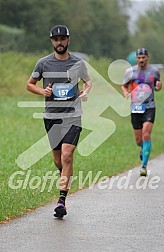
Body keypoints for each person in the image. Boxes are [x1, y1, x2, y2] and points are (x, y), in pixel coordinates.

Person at [26, 25, 92, 218]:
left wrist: (86, 91)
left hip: (72, 116)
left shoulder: (78, 63)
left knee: (67, 155)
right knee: (58, 160)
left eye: (63, 39)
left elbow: (87, 81)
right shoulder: (43, 63)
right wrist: (42, 91)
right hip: (51, 117)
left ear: (68, 40)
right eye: (56, 39)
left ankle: (61, 201)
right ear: (52, 42)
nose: (60, 42)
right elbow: (30, 84)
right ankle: (65, 174)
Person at [122, 48, 162, 176]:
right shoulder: (130, 71)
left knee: (146, 134)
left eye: (143, 57)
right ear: (136, 58)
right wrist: (126, 92)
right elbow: (124, 85)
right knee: (139, 140)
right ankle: (143, 149)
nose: (141, 60)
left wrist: (158, 87)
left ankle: (144, 166)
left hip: (149, 106)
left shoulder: (154, 71)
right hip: (135, 107)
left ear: (147, 58)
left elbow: (157, 85)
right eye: (139, 58)